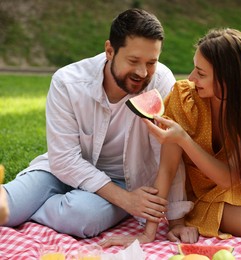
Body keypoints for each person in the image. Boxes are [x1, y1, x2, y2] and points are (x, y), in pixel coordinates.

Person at [1, 8, 196, 243]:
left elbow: (168, 154)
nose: (143, 72)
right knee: (3, 210)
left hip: (124, 180)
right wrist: (126, 201)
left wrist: (176, 220)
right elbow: (64, 160)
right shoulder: (67, 82)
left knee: (79, 218)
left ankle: (34, 209)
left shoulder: (161, 82)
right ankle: (29, 206)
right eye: (133, 61)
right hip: (63, 171)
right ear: (109, 51)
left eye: (151, 62)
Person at [142, 28, 241, 239]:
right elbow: (167, 170)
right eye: (195, 69)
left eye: (201, 74)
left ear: (228, 79)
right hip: (204, 197)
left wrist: (184, 139)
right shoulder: (183, 101)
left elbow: (230, 178)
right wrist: (150, 233)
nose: (192, 78)